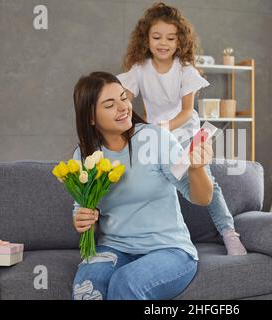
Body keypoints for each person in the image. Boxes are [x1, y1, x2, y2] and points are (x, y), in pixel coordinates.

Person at [117, 1, 246, 256]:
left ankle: (229, 233)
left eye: (170, 38)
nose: (163, 43)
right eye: (156, 37)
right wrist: (133, 126)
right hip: (156, 138)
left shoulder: (185, 70)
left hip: (185, 134)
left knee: (208, 181)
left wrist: (161, 127)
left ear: (179, 41)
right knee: (153, 184)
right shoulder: (140, 70)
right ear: (146, 39)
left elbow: (187, 111)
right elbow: (123, 100)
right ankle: (154, 240)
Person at [71, 71, 214, 300]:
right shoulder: (85, 155)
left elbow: (202, 198)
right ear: (90, 117)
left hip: (169, 250)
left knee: (126, 282)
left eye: (123, 98)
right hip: (114, 248)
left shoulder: (156, 139)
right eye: (110, 104)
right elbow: (80, 206)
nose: (123, 107)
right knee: (86, 287)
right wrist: (82, 218)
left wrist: (197, 169)